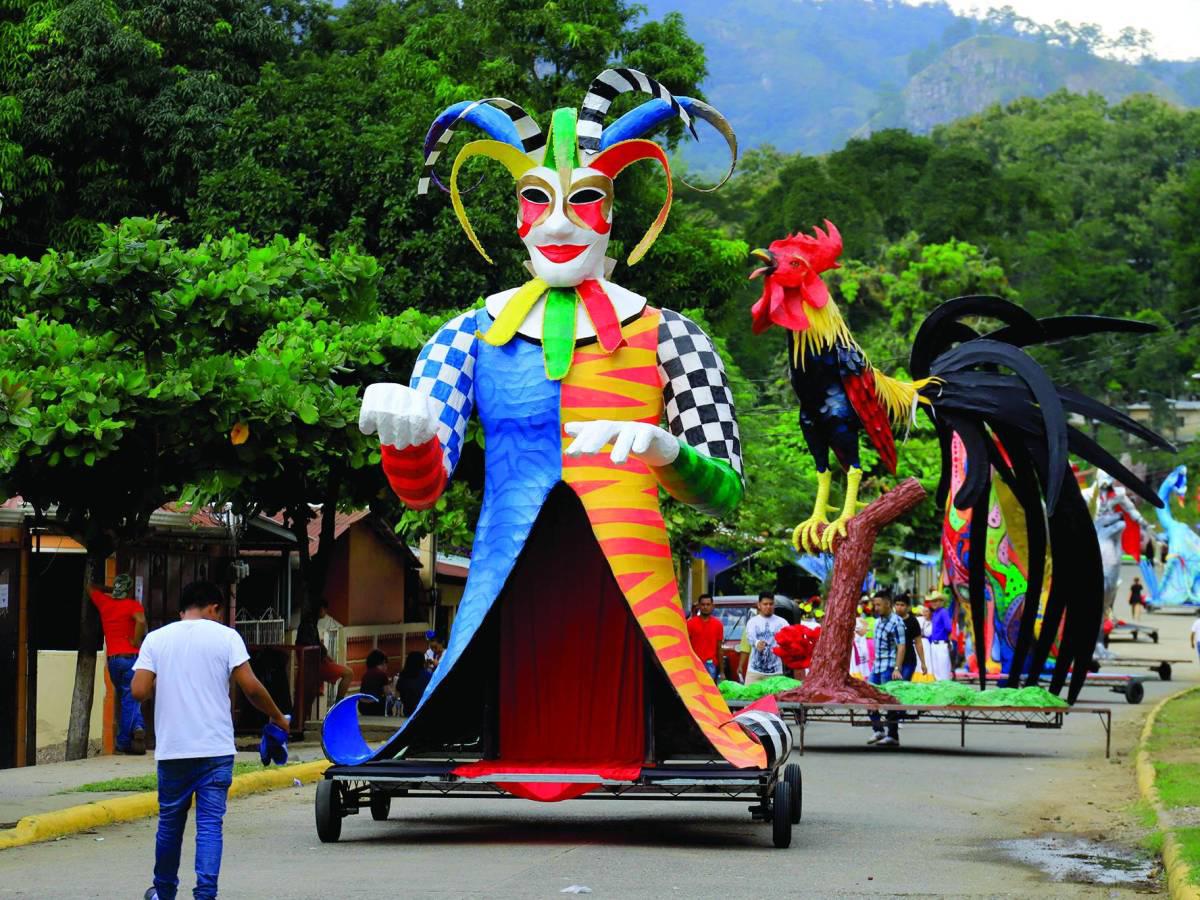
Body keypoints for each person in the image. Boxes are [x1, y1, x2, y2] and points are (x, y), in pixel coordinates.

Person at [131, 581, 289, 900]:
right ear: (214, 608)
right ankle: (205, 894)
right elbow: (251, 687)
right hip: (216, 750)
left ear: (183, 610)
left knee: (170, 825)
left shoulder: (156, 639)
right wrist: (276, 716)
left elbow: (138, 690)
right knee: (209, 826)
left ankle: (163, 892)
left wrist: (163, 676)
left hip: (174, 750)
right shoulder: (227, 637)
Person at [90, 574, 148, 754]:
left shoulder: (105, 603)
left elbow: (90, 587)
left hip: (114, 660)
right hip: (131, 657)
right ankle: (123, 741)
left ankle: (138, 726)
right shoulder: (133, 605)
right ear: (129, 590)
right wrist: (136, 641)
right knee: (130, 698)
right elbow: (140, 620)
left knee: (126, 696)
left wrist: (111, 588)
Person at [867, 593, 906, 747]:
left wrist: (897, 667)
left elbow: (901, 646)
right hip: (876, 666)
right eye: (874, 605)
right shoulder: (878, 622)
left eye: (878, 605)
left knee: (889, 700)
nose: (876, 608)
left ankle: (893, 735)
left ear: (888, 604)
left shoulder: (897, 622)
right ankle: (878, 729)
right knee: (868, 697)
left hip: (889, 667)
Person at [297, 604, 352, 702]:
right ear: (321, 609)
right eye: (325, 610)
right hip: (315, 666)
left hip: (312, 665)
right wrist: (326, 659)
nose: (326, 613)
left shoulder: (310, 622)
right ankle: (338, 704)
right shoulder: (309, 624)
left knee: (307, 701)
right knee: (348, 673)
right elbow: (313, 647)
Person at [739, 593, 789, 684]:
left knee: (775, 698)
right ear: (759, 605)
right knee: (751, 697)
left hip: (775, 672)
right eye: (765, 604)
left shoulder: (783, 623)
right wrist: (757, 643)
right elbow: (750, 637)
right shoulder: (752, 622)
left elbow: (789, 641)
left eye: (771, 604)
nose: (768, 607)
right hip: (755, 672)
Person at [687, 593, 725, 681]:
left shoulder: (718, 624)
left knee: (709, 692)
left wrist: (722, 672)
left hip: (711, 664)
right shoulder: (690, 624)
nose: (705, 607)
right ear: (699, 606)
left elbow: (719, 648)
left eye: (708, 604)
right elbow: (686, 647)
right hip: (694, 664)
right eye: (703, 604)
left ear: (712, 606)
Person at [893, 595, 928, 681]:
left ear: (908, 607)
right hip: (893, 660)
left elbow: (918, 642)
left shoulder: (913, 621)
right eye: (897, 604)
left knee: (903, 684)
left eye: (902, 605)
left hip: (909, 660)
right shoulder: (891, 620)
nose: (899, 607)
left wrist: (923, 663)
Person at [926, 591, 954, 680]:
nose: (933, 603)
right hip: (934, 644)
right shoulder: (934, 613)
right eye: (932, 601)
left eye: (936, 601)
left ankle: (945, 690)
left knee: (943, 671)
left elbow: (948, 628)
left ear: (941, 602)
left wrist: (949, 641)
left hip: (941, 644)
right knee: (936, 671)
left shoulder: (943, 612)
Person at [396, 650, 432, 717]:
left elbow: (398, 691)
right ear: (422, 662)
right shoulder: (427, 675)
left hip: (407, 711)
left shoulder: (403, 675)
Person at [357, 649, 392, 716]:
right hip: (375, 706)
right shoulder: (382, 674)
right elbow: (387, 692)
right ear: (383, 662)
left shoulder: (366, 673)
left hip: (362, 706)